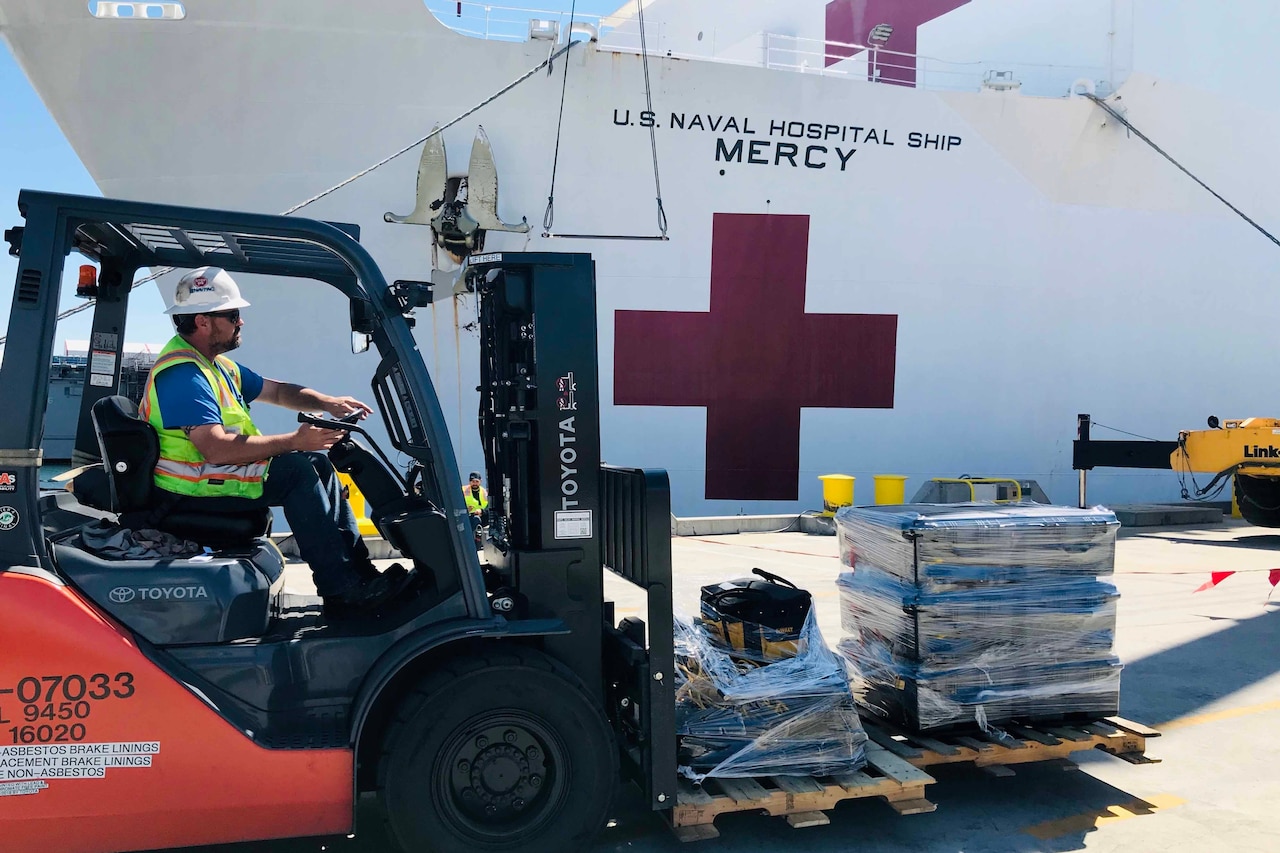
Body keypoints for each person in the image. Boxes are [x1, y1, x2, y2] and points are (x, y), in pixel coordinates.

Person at [139, 266, 410, 618]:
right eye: (233, 314)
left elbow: (278, 391)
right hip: (191, 489)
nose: (241, 322)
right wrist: (296, 440)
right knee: (297, 469)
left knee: (317, 464)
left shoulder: (216, 366)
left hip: (212, 476)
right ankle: (341, 590)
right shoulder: (183, 374)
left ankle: (358, 574)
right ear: (204, 322)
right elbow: (216, 448)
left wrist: (326, 402)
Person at [463, 471, 488, 540]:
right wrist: (465, 509)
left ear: (480, 481)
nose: (474, 483)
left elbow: (488, 507)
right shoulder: (463, 490)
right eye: (473, 481)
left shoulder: (484, 492)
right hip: (467, 516)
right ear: (469, 481)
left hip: (481, 516)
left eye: (476, 481)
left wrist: (481, 511)